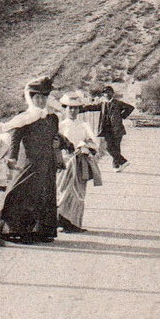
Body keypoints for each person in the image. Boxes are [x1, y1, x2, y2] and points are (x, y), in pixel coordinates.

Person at [0, 76, 63, 245]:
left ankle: (42, 232)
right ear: (31, 99)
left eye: (44, 97)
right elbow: (15, 139)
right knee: (25, 194)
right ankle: (18, 231)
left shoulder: (52, 118)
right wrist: (12, 158)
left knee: (46, 196)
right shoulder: (24, 118)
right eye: (37, 97)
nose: (40, 101)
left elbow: (57, 137)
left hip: (48, 163)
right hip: (31, 162)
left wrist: (58, 143)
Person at [56, 91, 102, 233]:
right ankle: (61, 221)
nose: (72, 111)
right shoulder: (60, 126)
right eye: (69, 107)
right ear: (64, 109)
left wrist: (85, 146)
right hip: (64, 162)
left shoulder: (84, 125)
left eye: (75, 108)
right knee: (62, 190)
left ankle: (74, 223)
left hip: (80, 161)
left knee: (78, 192)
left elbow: (95, 142)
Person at [83, 85, 135, 171]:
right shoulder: (103, 104)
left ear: (113, 93)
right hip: (107, 130)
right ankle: (123, 162)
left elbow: (130, 108)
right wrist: (81, 108)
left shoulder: (118, 103)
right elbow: (92, 107)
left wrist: (122, 116)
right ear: (103, 95)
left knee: (116, 148)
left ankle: (116, 166)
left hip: (117, 129)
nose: (106, 94)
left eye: (108, 92)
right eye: (105, 93)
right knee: (108, 147)